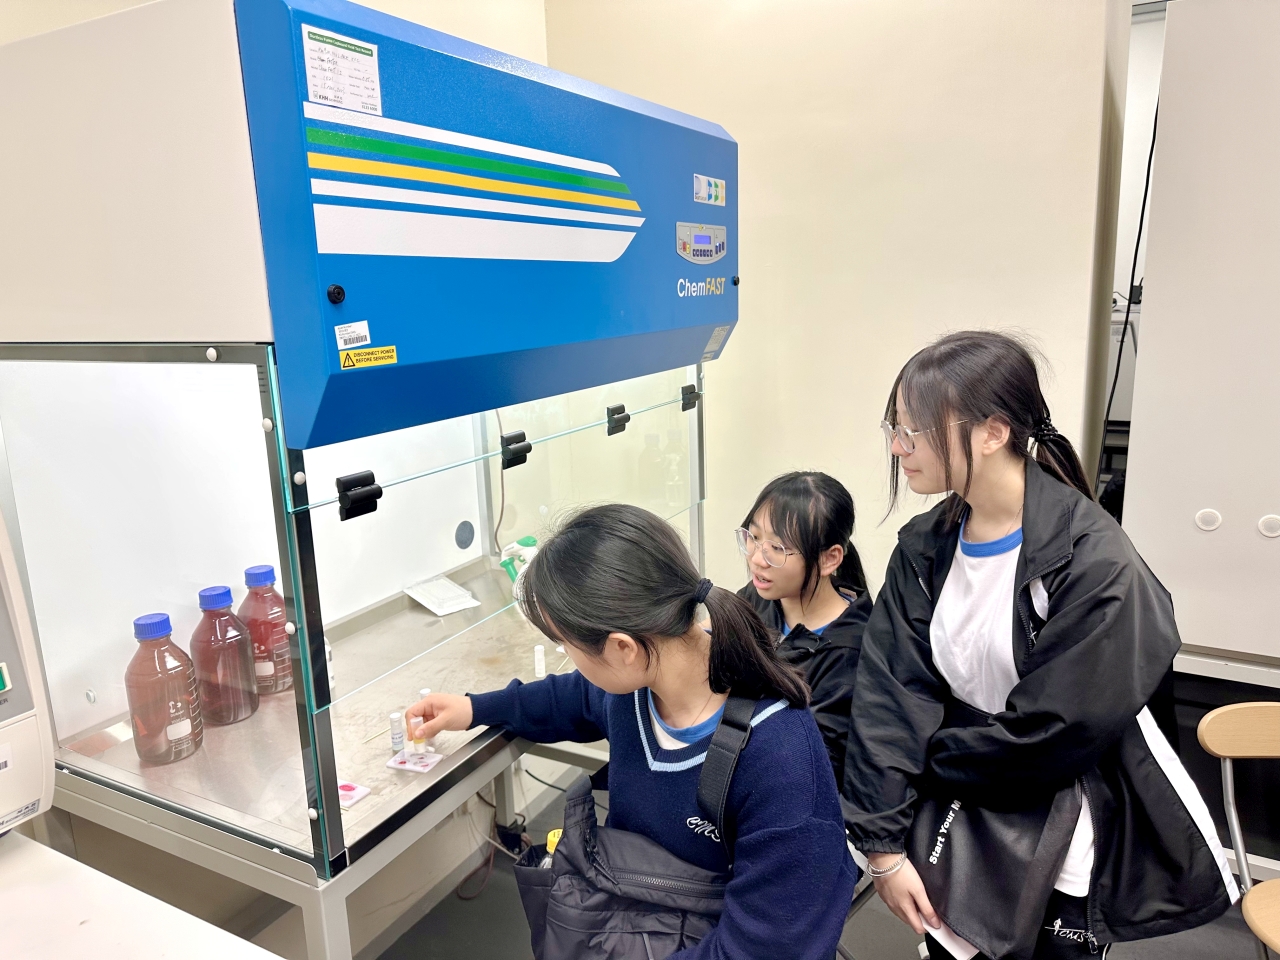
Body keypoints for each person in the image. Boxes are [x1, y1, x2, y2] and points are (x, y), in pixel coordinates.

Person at [843, 331, 1236, 960]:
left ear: (993, 433)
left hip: (1060, 840)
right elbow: (889, 698)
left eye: (913, 431)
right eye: (894, 428)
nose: (897, 447)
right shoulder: (924, 548)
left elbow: (1048, 736)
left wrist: (926, 764)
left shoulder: (1096, 562)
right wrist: (884, 849)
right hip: (959, 825)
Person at [408, 503, 857, 960]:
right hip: (632, 916)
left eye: (565, 644)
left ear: (621, 649)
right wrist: (474, 708)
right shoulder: (636, 686)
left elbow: (763, 948)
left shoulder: (780, 757)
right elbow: (569, 697)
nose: (568, 657)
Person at [735, 471, 873, 788]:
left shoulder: (850, 651)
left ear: (829, 559)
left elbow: (813, 763)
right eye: (753, 537)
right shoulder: (759, 596)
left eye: (777, 548)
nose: (757, 558)